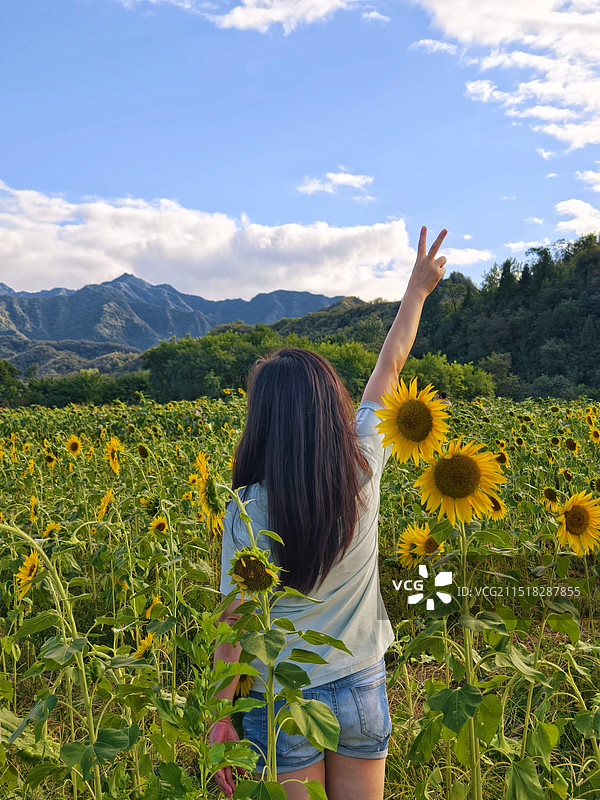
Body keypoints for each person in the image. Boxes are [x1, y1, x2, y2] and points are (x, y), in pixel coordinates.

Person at [210, 226, 447, 799]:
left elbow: (236, 621)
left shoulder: (251, 506)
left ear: (263, 422)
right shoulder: (366, 461)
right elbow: (390, 369)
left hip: (286, 695)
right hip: (362, 685)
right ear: (328, 408)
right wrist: (416, 290)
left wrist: (219, 717)